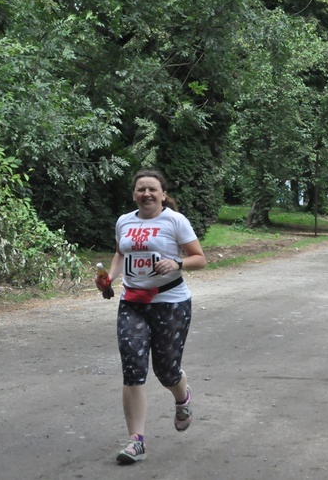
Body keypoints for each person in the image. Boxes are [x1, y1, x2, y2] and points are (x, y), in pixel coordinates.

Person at [95, 169, 207, 464]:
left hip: (170, 302)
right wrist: (110, 277)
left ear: (163, 195)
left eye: (152, 190)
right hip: (132, 302)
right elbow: (121, 253)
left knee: (166, 370)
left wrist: (176, 262)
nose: (146, 194)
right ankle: (136, 442)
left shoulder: (175, 221)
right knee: (133, 367)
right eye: (141, 189)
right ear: (134, 194)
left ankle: (182, 398)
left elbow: (200, 258)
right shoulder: (124, 221)